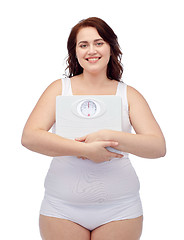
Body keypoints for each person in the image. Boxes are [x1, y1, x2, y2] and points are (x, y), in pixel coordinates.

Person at [21, 17, 166, 240]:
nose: (92, 50)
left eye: (99, 43)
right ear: (75, 52)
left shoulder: (129, 94)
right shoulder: (59, 89)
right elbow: (30, 137)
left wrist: (109, 136)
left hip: (120, 210)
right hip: (61, 209)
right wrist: (85, 150)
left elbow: (157, 147)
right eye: (83, 45)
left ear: (111, 47)